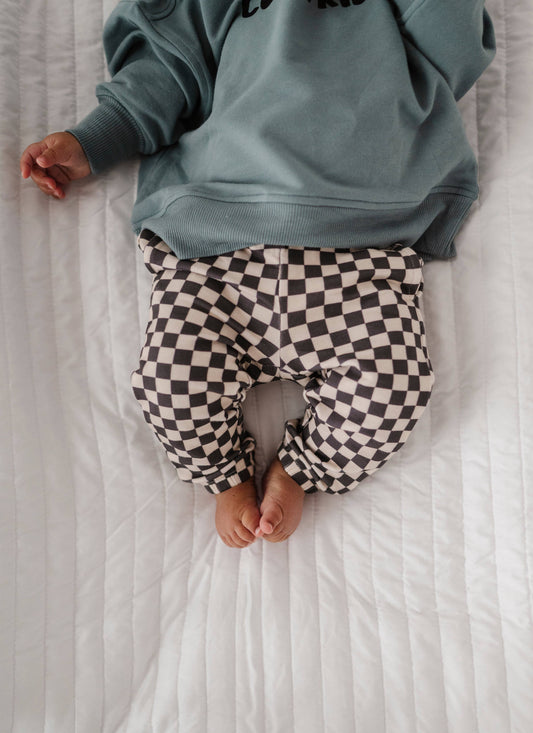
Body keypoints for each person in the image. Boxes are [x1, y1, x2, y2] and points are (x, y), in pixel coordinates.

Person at [20, 0, 496, 549]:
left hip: (359, 244)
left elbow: (453, 48)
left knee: (394, 385)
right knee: (170, 381)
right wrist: (92, 140)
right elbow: (169, 70)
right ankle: (225, 477)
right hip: (219, 244)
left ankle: (301, 471)